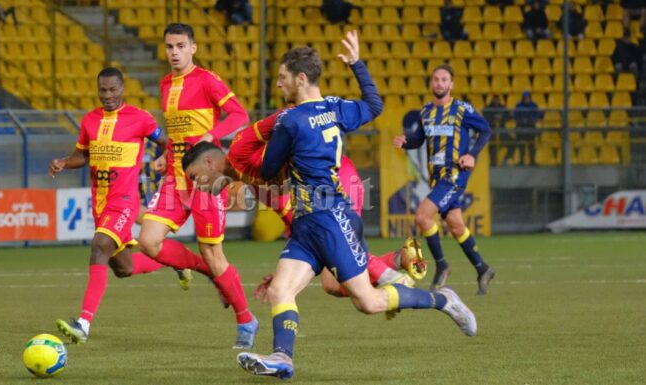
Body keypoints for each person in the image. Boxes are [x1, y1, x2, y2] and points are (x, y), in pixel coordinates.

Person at [235, 32, 477, 380]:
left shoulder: (290, 120)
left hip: (330, 217)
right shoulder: (335, 107)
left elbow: (268, 170)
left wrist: (242, 162)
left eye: (282, 77)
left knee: (368, 302)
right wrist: (356, 65)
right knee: (280, 290)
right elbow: (375, 105)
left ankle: (444, 300)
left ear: (300, 79)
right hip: (308, 222)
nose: (278, 84)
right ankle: (282, 357)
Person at [180, 117, 428, 300]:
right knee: (332, 284)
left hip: (335, 181)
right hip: (332, 183)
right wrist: (287, 272)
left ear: (209, 163)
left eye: (194, 178)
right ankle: (400, 259)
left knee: (338, 248)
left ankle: (396, 283)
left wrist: (287, 273)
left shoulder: (253, 168)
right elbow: (297, 225)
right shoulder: (253, 183)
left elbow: (305, 228)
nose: (196, 186)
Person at [133, 23, 258, 349]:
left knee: (213, 252)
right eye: (169, 46)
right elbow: (177, 131)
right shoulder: (165, 84)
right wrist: (166, 154)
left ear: (193, 48)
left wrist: (211, 135)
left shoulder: (206, 80)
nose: (174, 52)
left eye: (180, 46)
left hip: (205, 179)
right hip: (175, 178)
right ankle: (210, 273)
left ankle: (246, 319)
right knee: (148, 241)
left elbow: (239, 115)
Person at [50, 67, 168, 343]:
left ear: (123, 88)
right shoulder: (90, 120)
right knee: (123, 268)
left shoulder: (140, 118)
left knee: (100, 246)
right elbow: (83, 155)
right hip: (100, 203)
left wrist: (164, 161)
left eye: (113, 89)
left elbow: (166, 141)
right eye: (103, 90)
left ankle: (83, 324)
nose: (108, 95)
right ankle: (172, 260)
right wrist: (64, 162)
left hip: (125, 200)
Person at [394, 64, 496, 295]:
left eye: (444, 80)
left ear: (451, 84)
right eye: (436, 79)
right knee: (456, 226)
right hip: (436, 178)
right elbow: (419, 139)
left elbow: (486, 130)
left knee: (422, 217)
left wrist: (472, 154)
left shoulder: (462, 109)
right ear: (432, 83)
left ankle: (442, 265)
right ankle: (482, 268)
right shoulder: (425, 112)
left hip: (453, 176)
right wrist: (406, 142)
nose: (439, 83)